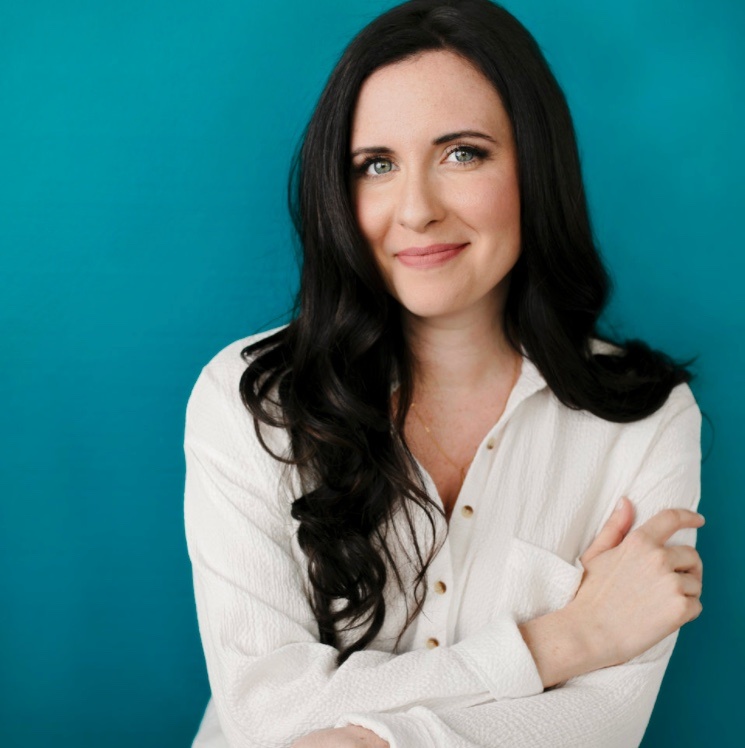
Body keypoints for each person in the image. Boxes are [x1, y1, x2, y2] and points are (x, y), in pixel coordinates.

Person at [183, 1, 705, 746]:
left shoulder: (646, 420)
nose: (417, 210)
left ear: (534, 166)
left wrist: (367, 742)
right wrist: (569, 638)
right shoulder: (252, 400)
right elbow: (267, 713)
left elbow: (605, 719)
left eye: (462, 154)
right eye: (377, 165)